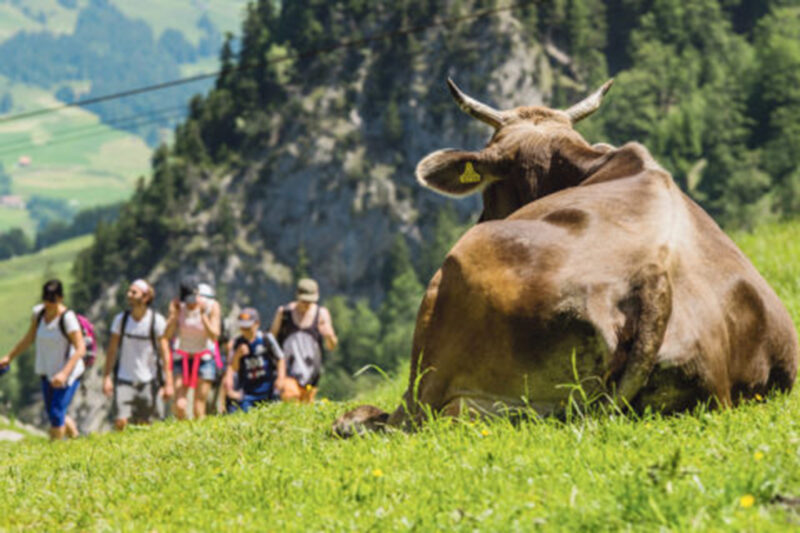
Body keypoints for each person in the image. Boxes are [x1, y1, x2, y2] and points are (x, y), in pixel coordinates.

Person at [0, 279, 86, 440]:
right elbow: (28, 338)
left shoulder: (68, 319)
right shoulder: (39, 314)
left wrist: (64, 374)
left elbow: (81, 348)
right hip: (48, 372)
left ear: (60, 298)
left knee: (56, 413)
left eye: (52, 300)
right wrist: (9, 357)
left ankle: (56, 452)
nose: (48, 304)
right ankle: (75, 437)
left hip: (69, 373)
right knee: (55, 412)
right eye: (46, 299)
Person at [102, 279, 174, 430]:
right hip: (124, 379)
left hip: (149, 380)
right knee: (121, 421)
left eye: (134, 292)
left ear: (146, 297)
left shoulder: (157, 321)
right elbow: (112, 350)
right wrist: (107, 377)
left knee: (150, 423)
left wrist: (168, 382)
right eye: (129, 291)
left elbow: (165, 353)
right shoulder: (121, 320)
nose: (129, 295)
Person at [269, 278, 337, 403]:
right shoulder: (284, 313)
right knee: (290, 396)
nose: (307, 304)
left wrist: (329, 336)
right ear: (297, 296)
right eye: (304, 301)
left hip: (311, 373)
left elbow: (331, 346)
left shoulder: (321, 314)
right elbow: (271, 341)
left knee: (305, 407)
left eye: (310, 301)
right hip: (288, 370)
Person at [164, 276, 220, 420]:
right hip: (182, 358)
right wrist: (174, 315)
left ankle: (199, 436)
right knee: (180, 405)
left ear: (197, 294)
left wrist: (203, 315)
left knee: (198, 407)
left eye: (191, 298)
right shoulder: (178, 306)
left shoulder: (211, 306)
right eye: (185, 300)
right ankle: (183, 432)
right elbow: (167, 335)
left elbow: (214, 336)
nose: (188, 304)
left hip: (204, 358)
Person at [227, 308, 284, 413]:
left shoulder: (266, 338)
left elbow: (280, 358)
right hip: (248, 393)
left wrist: (280, 378)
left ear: (257, 324)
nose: (245, 330)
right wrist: (237, 355)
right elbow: (234, 368)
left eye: (248, 327)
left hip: (269, 390)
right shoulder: (237, 343)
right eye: (242, 327)